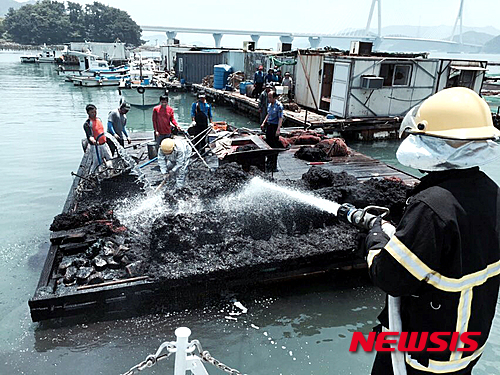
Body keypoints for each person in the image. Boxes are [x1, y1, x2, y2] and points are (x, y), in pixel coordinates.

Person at [363, 87, 500, 375]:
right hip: (465, 347)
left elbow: (391, 278)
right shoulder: (490, 192)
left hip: (422, 356)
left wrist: (376, 239)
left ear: (436, 144)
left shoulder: (432, 207)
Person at [83, 104, 113, 173]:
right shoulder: (87, 124)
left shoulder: (99, 119)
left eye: (95, 112)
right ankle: (93, 174)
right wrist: (93, 141)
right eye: (92, 112)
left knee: (110, 158)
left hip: (104, 144)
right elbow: (89, 136)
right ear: (88, 113)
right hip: (95, 146)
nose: (94, 114)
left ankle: (111, 171)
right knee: (96, 162)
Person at [261, 91, 283, 172]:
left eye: (270, 97)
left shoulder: (279, 106)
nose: (269, 99)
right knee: (268, 144)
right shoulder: (270, 105)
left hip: (275, 126)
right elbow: (268, 114)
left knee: (274, 145)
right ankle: (269, 161)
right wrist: (264, 123)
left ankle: (274, 165)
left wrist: (278, 129)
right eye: (268, 97)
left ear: (274, 98)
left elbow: (280, 118)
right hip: (269, 125)